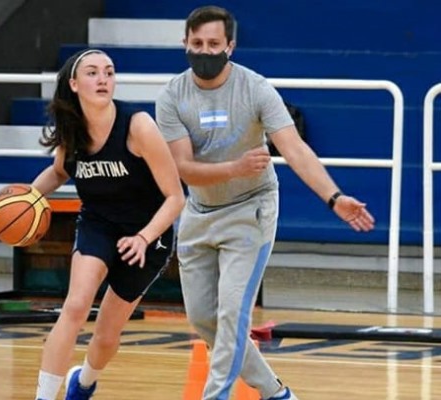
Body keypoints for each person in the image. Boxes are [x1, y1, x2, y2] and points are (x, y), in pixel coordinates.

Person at [156, 6, 375, 400]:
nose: (205, 52)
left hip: (250, 210)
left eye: (214, 45)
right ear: (184, 44)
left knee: (231, 315)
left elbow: (294, 148)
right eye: (197, 44)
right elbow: (184, 169)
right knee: (204, 319)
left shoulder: (255, 88)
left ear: (231, 47)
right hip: (199, 212)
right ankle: (275, 393)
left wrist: (334, 197)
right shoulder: (172, 96)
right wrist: (235, 167)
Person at [31, 48, 185, 400]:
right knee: (75, 305)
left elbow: (176, 197)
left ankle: (83, 383)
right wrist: (27, 197)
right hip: (99, 224)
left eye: (109, 72)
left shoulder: (139, 126)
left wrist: (144, 238)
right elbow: (58, 172)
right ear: (74, 83)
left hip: (148, 234)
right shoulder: (72, 130)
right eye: (93, 72)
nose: (103, 79)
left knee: (106, 335)